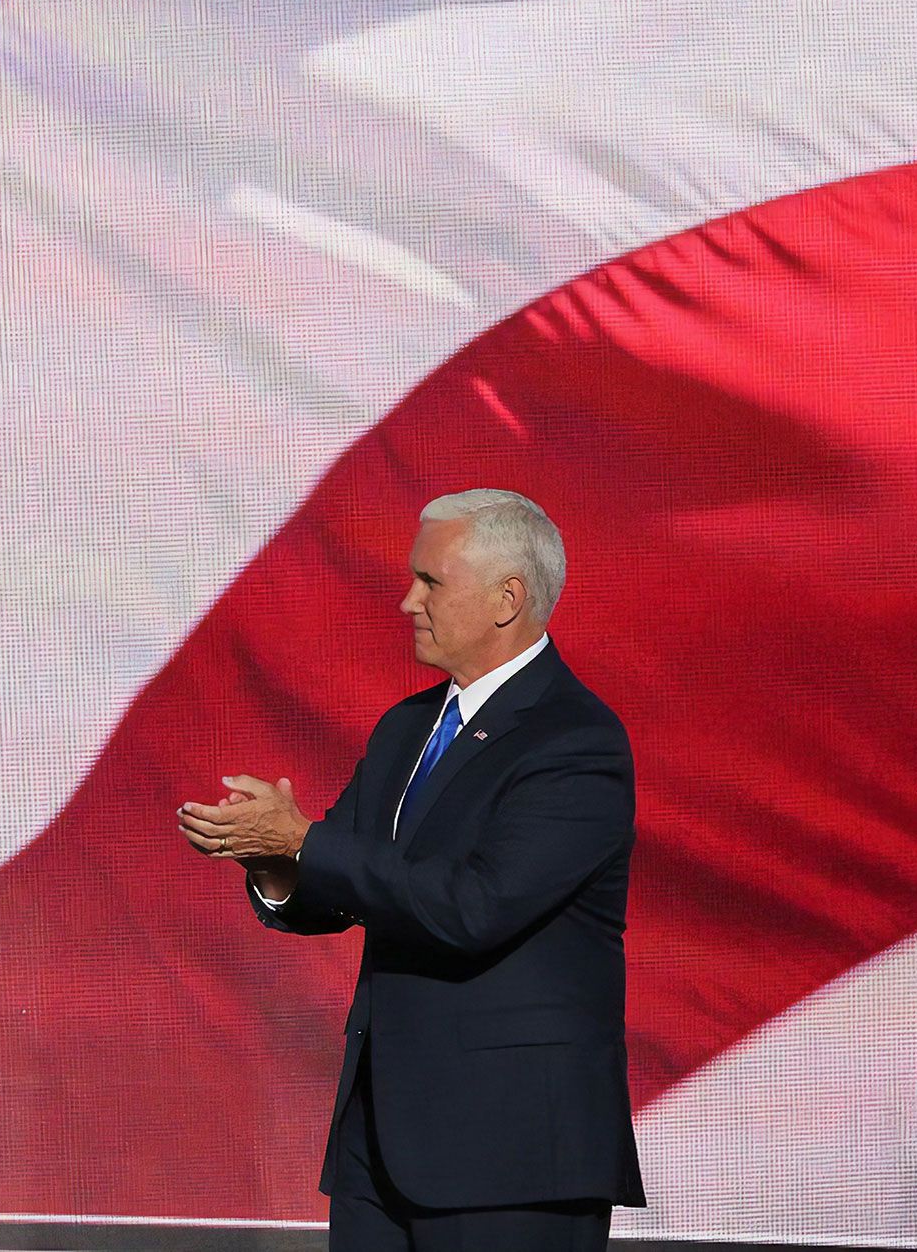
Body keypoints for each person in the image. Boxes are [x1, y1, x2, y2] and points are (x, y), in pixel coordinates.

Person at [179, 489, 644, 1250]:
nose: (408, 601)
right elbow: (341, 882)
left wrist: (305, 843)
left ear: (507, 599)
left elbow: (476, 907)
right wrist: (273, 861)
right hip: (379, 1143)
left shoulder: (574, 742)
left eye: (431, 581)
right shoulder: (407, 727)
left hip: (512, 1156)